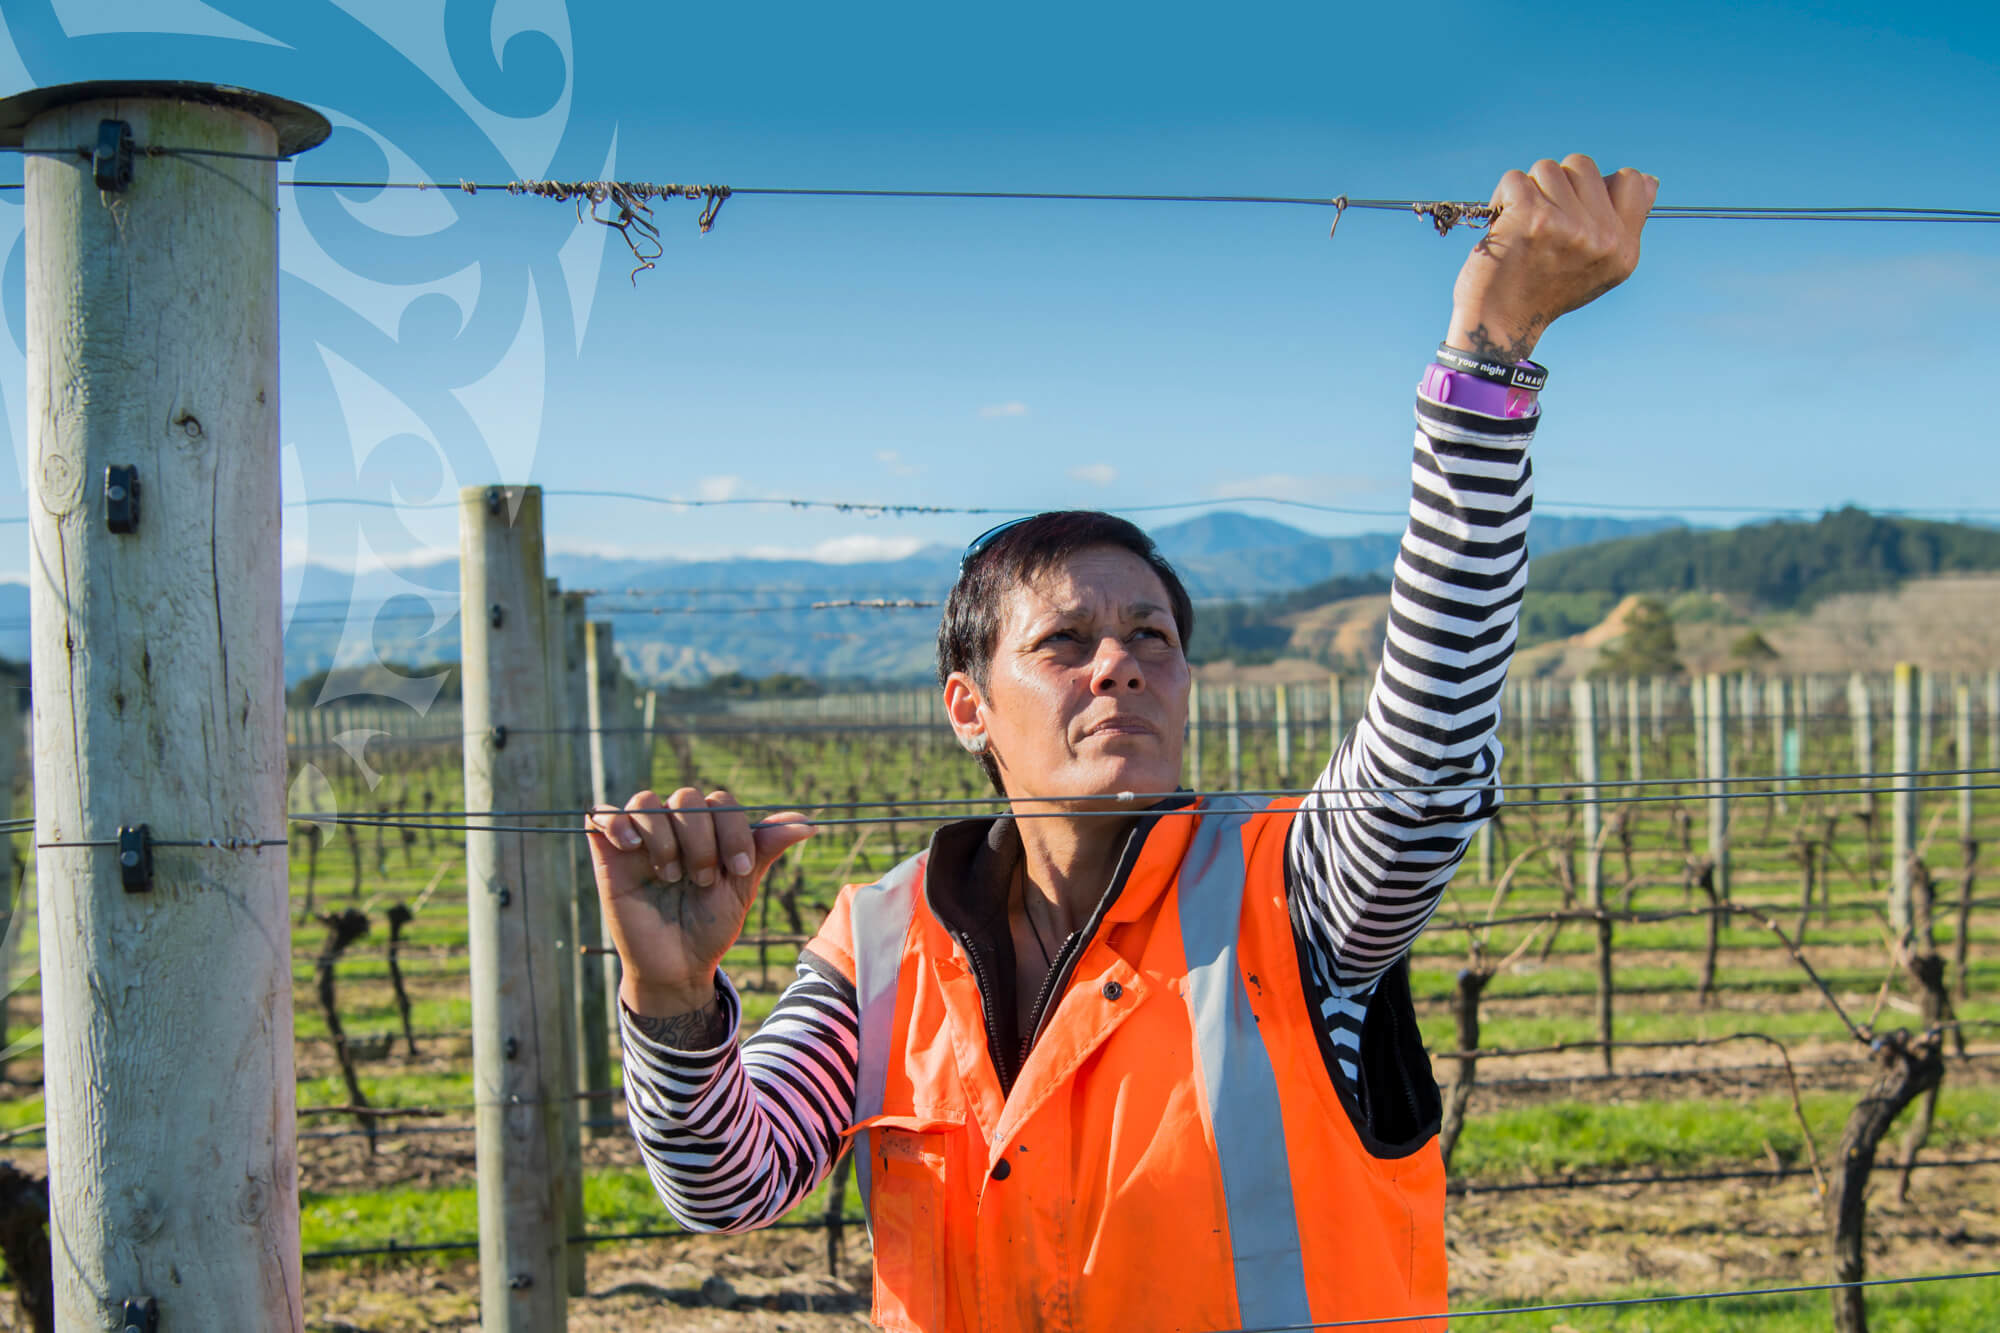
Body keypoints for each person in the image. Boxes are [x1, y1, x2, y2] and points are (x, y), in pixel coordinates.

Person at [586, 154, 1656, 1332]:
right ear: (967, 709)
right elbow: (728, 1186)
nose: (1119, 661)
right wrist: (674, 999)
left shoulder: (1295, 894)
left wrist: (1486, 361)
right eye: (1063, 641)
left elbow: (1426, 749)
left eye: (1150, 632)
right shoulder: (880, 940)